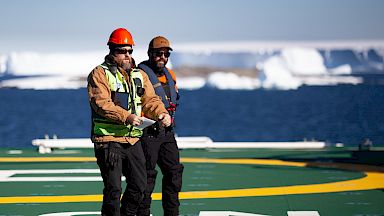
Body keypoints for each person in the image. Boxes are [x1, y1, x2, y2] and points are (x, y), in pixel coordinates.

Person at [87, 28, 172, 216]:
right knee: (113, 190)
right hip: (108, 141)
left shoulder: (138, 75)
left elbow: (150, 100)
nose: (126, 55)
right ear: (111, 50)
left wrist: (161, 113)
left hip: (132, 140)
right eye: (121, 51)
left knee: (139, 187)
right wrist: (128, 117)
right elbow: (102, 104)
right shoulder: (99, 74)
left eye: (130, 51)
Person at [137, 36, 184, 216]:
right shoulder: (140, 74)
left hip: (167, 133)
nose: (162, 57)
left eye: (165, 54)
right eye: (158, 53)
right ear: (150, 54)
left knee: (174, 174)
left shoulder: (170, 75)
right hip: (147, 134)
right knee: (147, 178)